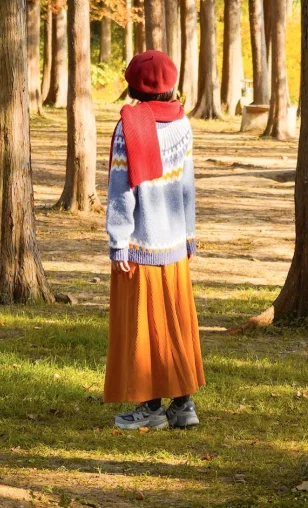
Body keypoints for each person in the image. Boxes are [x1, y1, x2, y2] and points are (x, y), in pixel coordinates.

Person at [104, 49, 204, 430]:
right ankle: (183, 406)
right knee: (175, 324)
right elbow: (187, 185)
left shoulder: (128, 126)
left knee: (143, 327)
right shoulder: (182, 124)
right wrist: (190, 236)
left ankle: (148, 409)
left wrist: (119, 240)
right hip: (175, 243)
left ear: (133, 86)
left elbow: (120, 189)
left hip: (140, 244)